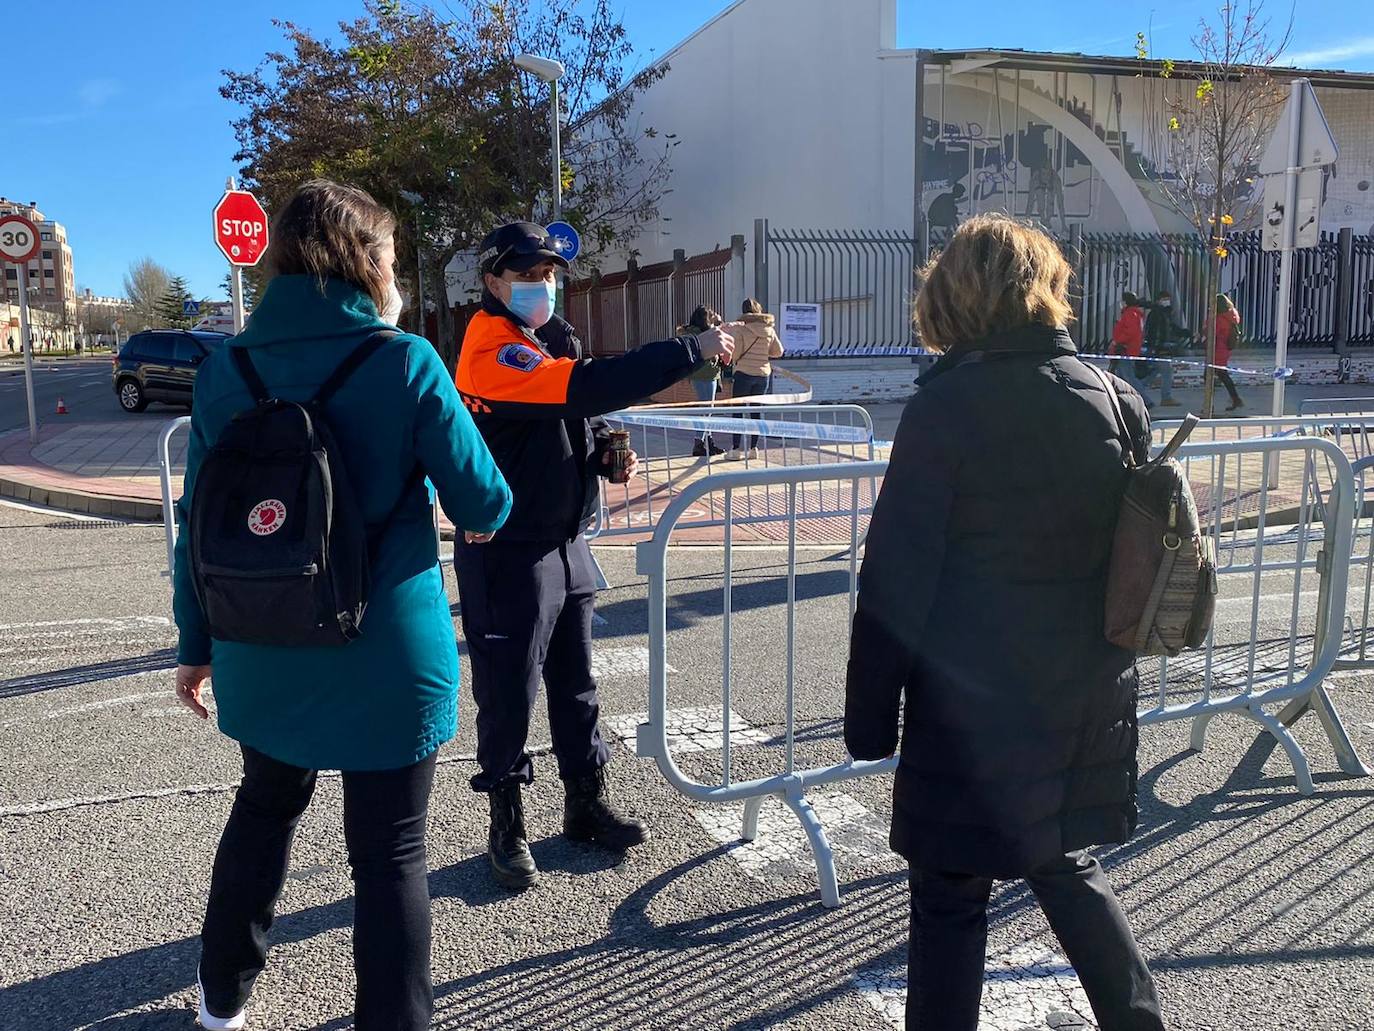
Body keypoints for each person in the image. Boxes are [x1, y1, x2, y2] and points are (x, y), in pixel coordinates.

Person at [171, 179, 512, 1031]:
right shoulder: (403, 362)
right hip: (382, 651)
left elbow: (197, 530)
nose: (395, 272)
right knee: (390, 851)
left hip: (260, 641)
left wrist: (195, 641)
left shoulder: (226, 369)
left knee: (263, 811)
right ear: (361, 260)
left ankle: (221, 1001)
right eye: (390, 256)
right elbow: (484, 503)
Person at [845, 214, 1164, 1031]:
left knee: (950, 899)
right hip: (1086, 688)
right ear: (1047, 289)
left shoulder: (945, 409)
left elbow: (895, 580)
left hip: (970, 706)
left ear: (953, 297)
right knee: (1067, 868)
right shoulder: (1116, 398)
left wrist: (870, 721)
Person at [453, 221, 735, 890]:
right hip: (510, 547)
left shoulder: (548, 336)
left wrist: (607, 450)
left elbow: (581, 409)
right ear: (492, 282)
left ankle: (584, 803)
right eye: (526, 275)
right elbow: (579, 387)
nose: (541, 284)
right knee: (508, 691)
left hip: (565, 537)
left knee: (577, 684)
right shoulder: (490, 347)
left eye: (548, 273)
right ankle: (506, 821)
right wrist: (686, 349)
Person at [726, 297, 785, 461]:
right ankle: (753, 449)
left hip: (743, 373)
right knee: (756, 412)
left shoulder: (742, 330)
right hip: (763, 376)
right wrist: (763, 355)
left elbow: (735, 354)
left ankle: (736, 449)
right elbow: (779, 351)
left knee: (737, 411)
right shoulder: (769, 330)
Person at [679, 304, 726, 457]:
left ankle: (709, 442)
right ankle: (699, 442)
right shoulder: (708, 333)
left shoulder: (690, 333)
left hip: (696, 374)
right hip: (708, 374)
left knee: (706, 409)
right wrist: (719, 322)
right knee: (707, 410)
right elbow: (720, 341)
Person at [1108, 291, 1154, 407]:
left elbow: (1130, 332)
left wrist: (1117, 341)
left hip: (1125, 350)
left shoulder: (1130, 314)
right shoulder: (1134, 314)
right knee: (1121, 377)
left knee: (1129, 378)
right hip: (1127, 350)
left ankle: (1146, 401)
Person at [1143, 289, 1184, 408]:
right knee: (1166, 372)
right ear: (1158, 301)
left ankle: (1138, 388)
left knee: (1153, 372)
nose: (1167, 302)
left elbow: (1172, 328)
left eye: (1168, 299)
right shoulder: (1156, 313)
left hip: (1159, 347)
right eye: (1164, 299)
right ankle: (1166, 397)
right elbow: (1152, 332)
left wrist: (1187, 333)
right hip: (1159, 348)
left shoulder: (1165, 313)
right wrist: (1156, 347)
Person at [1214, 293, 1245, 411]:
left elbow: (1212, 332)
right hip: (1224, 349)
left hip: (1218, 349)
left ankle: (1235, 399)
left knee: (1215, 376)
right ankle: (1236, 399)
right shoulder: (1230, 315)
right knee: (1221, 375)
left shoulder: (1220, 318)